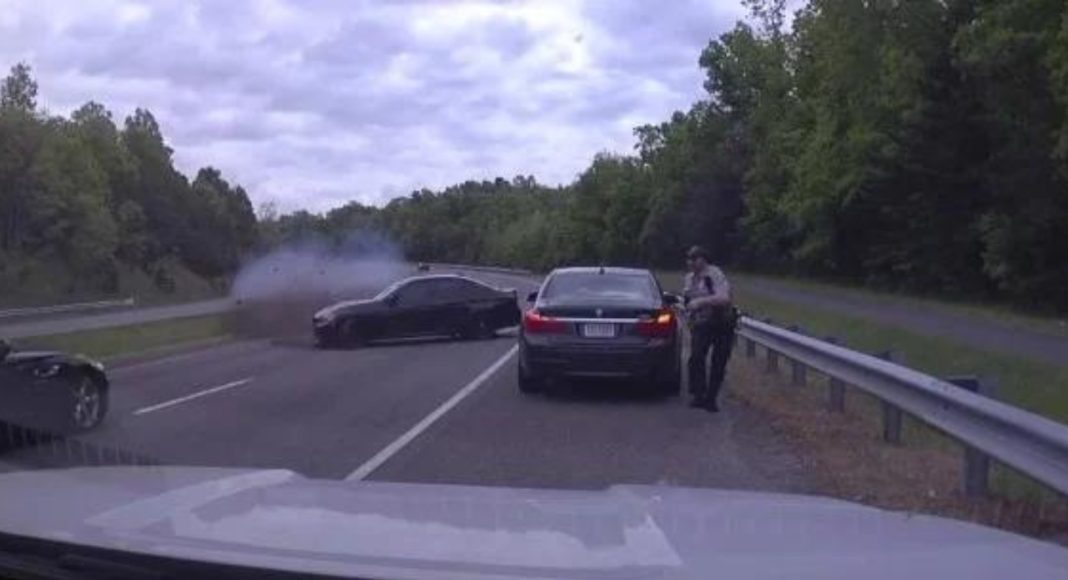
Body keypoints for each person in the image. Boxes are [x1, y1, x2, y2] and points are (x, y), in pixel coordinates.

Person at [681, 245, 735, 412]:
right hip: (702, 323)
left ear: (703, 260)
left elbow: (724, 298)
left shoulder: (714, 274)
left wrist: (702, 302)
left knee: (719, 361)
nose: (690, 262)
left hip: (722, 323)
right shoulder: (689, 278)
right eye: (689, 259)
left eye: (694, 259)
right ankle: (698, 394)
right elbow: (688, 298)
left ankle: (711, 399)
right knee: (696, 357)